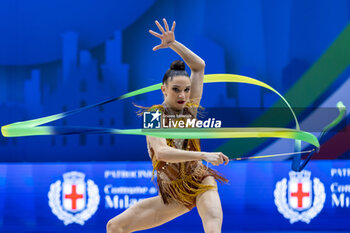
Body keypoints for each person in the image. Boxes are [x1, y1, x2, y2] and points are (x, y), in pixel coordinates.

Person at [107, 18, 229, 233]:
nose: (183, 95)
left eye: (186, 89)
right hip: (172, 193)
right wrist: (205, 155)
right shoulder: (154, 115)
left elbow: (199, 67)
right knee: (115, 226)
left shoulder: (190, 108)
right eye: (176, 89)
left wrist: (173, 44)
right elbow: (162, 152)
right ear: (164, 89)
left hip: (199, 179)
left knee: (212, 227)